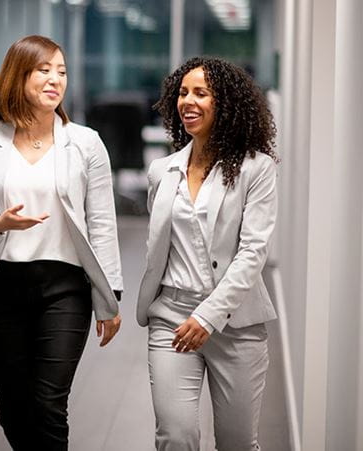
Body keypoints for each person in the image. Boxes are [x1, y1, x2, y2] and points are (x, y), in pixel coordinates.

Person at [0, 35, 123, 451]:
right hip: (5, 287)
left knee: (49, 403)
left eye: (62, 72)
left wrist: (110, 297)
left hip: (65, 286)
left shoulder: (85, 142)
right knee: (12, 406)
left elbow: (102, 222)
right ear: (18, 76)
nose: (56, 80)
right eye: (44, 70)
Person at [137, 56, 278, 450]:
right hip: (172, 318)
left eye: (201, 93)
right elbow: (162, 244)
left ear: (226, 103)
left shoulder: (257, 169)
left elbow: (253, 252)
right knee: (175, 435)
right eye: (183, 93)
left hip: (236, 325)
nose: (188, 101)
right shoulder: (162, 170)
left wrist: (208, 315)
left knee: (236, 442)